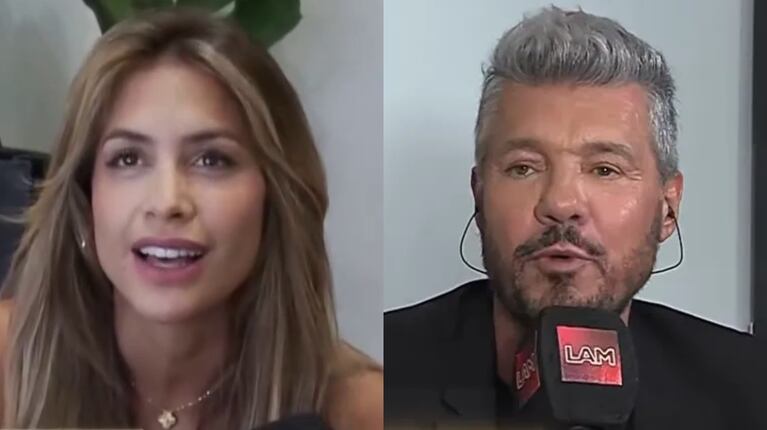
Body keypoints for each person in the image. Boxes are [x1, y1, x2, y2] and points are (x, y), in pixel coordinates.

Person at [0, 9, 381, 430]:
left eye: (211, 160)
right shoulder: (7, 360)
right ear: (85, 199)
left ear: (274, 198)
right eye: (128, 158)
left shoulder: (363, 410)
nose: (167, 202)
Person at [385, 6, 763, 429]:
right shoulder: (376, 377)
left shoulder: (749, 390)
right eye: (524, 168)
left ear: (668, 207)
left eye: (605, 169)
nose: (561, 203)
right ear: (480, 195)